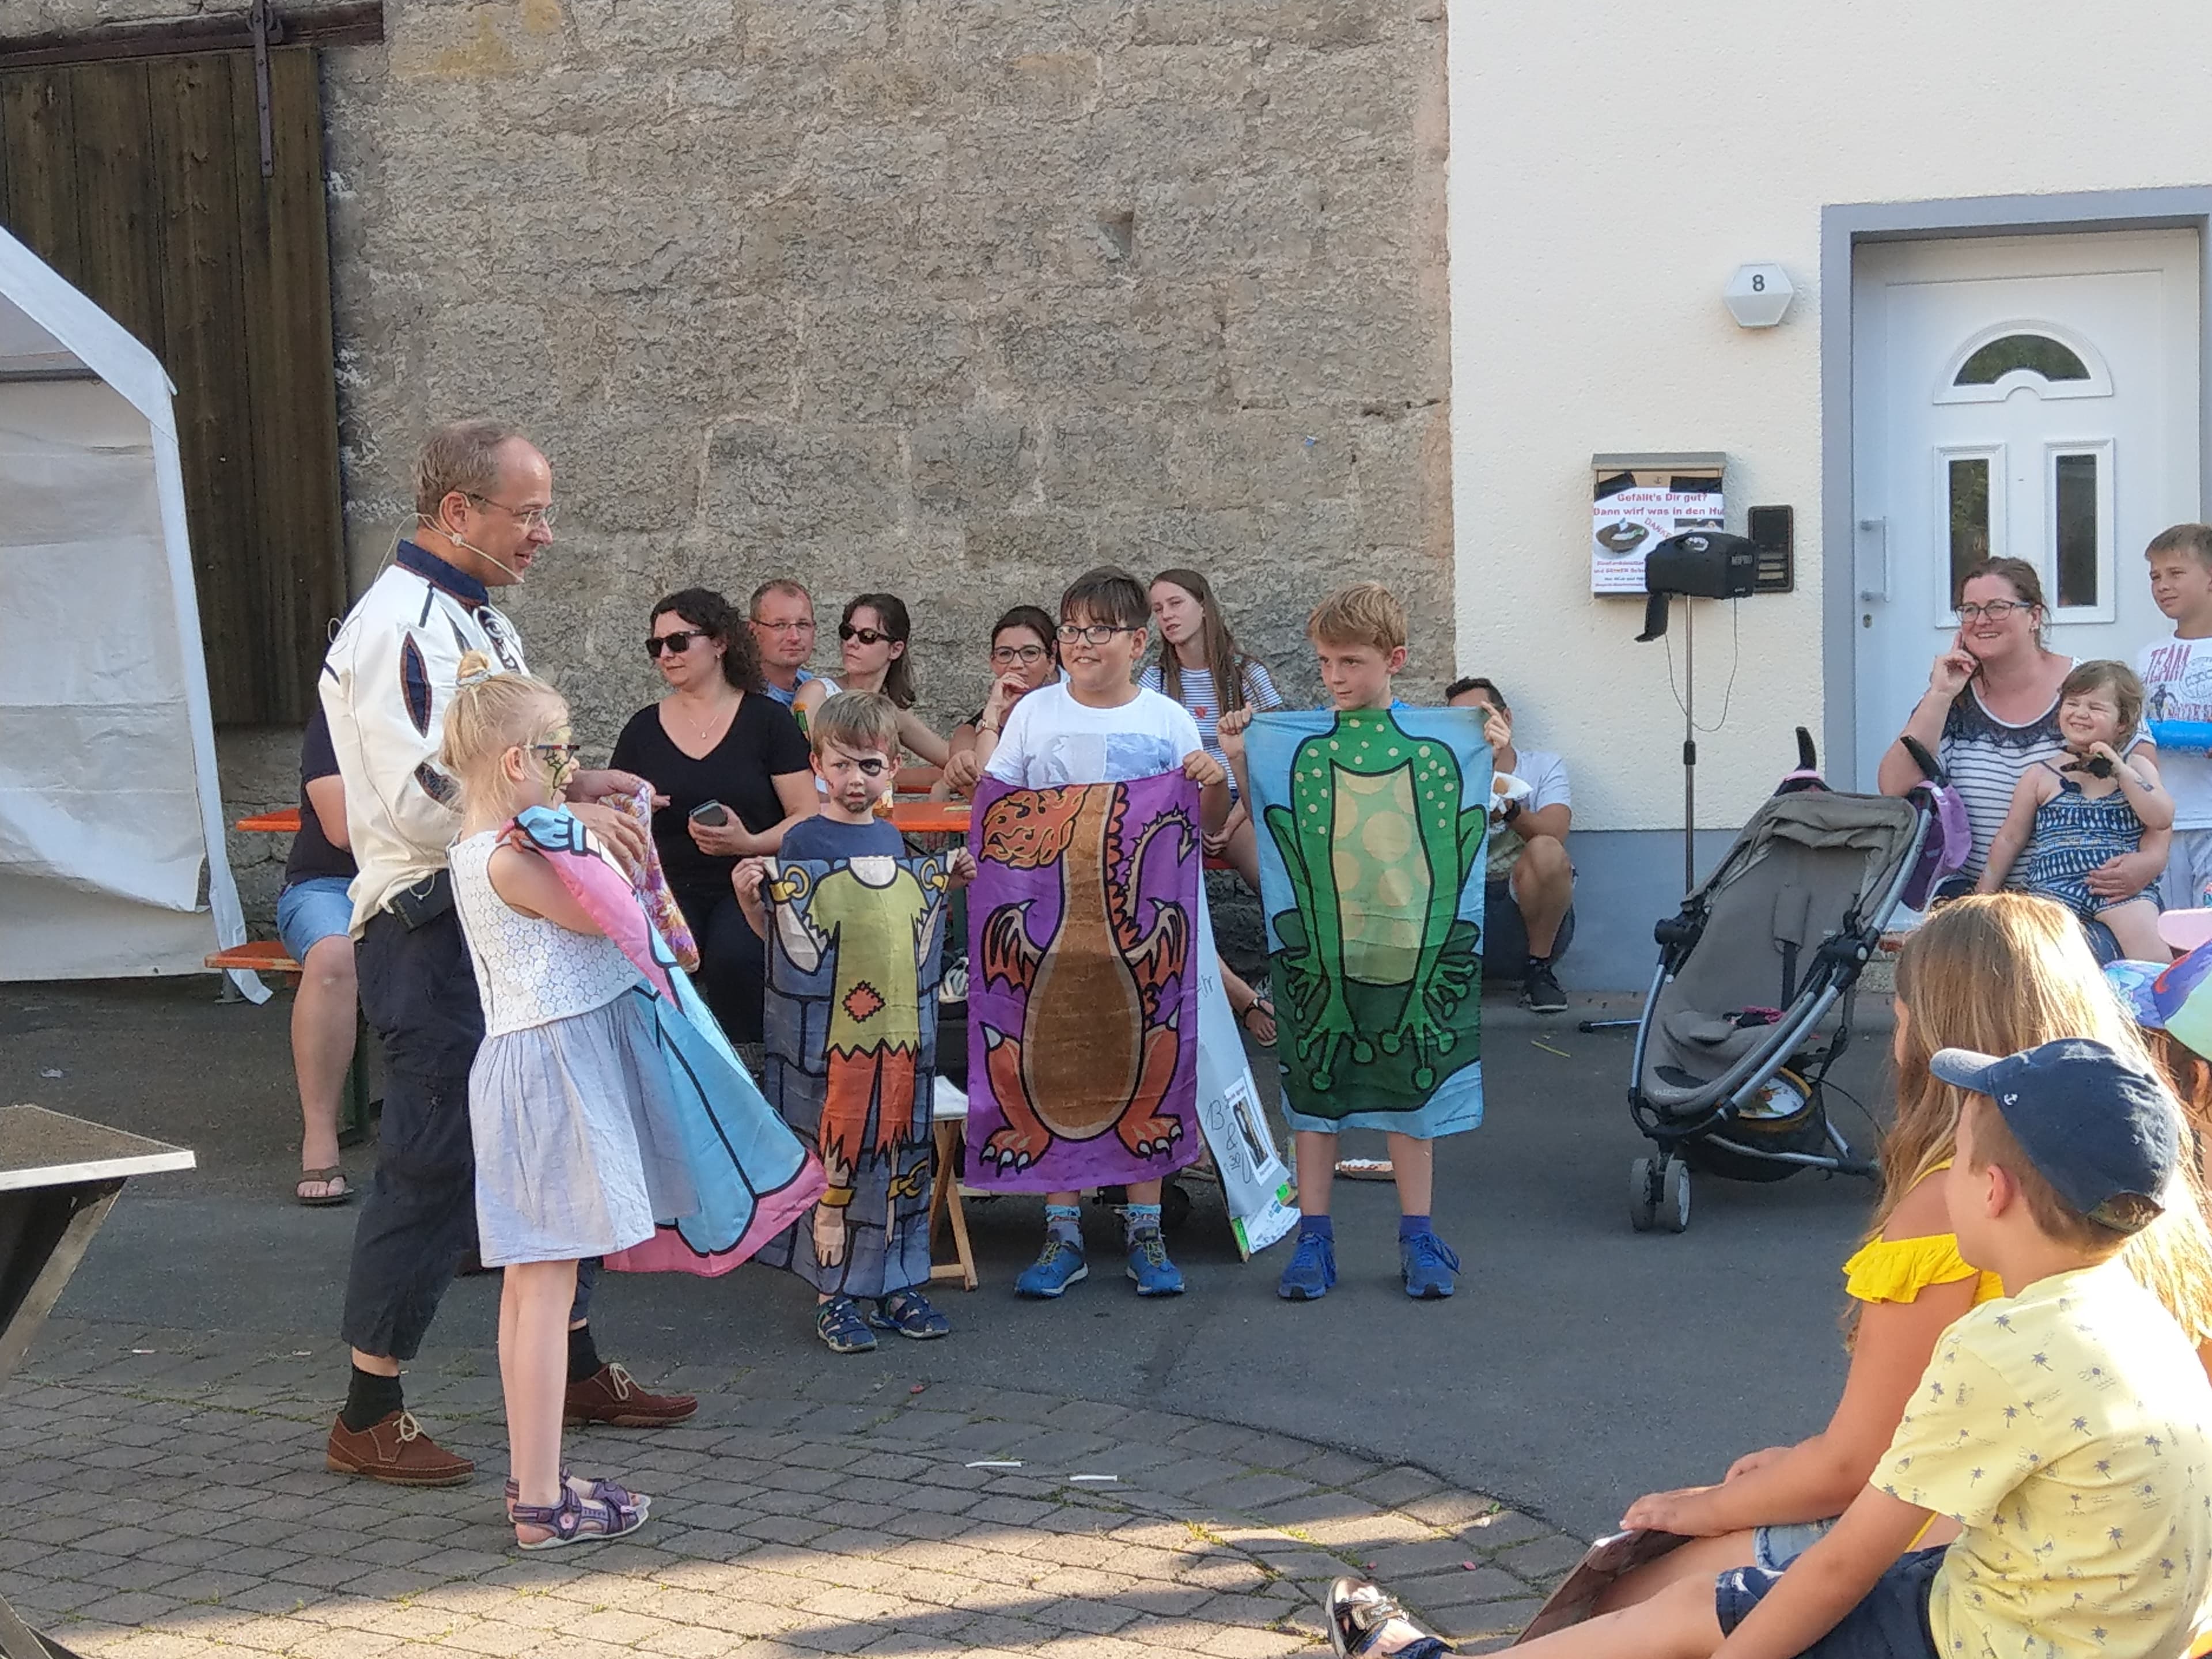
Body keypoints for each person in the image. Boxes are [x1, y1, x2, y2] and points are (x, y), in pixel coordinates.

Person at [1331, 1035, 2212, 1659]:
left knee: (1706, 1615)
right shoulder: (2142, 1320)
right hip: (2072, 1623)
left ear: (1990, 1192)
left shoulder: (2004, 1345)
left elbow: (1842, 1566)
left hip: (1982, 1639)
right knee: (1715, 1605)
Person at [1582, 893, 2212, 1613]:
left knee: (1625, 1599)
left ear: (1941, 1030)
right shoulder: (2155, 1190)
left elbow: (1855, 1466)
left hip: (1975, 1551)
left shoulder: (1951, 1205)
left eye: (1905, 1012)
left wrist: (1697, 1511)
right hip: (2133, 1557)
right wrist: (1791, 1467)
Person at [319, 419, 694, 1487]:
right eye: (526, 513)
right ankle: (368, 1405)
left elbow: (498, 765)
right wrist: (550, 828)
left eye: (544, 510)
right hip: (431, 921)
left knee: (564, 1136)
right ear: (457, 514)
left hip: (495, 906)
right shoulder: (397, 625)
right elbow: (416, 797)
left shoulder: (477, 616)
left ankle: (572, 1364)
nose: (543, 533)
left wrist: (576, 789)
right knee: (434, 1159)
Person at [442, 654, 679, 1548]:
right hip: (545, 1075)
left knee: (535, 1289)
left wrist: (579, 819)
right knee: (542, 1289)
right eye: (557, 752)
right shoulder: (505, 856)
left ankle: (534, 1484)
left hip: (542, 1066)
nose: (566, 766)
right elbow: (610, 915)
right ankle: (540, 1505)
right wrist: (596, 832)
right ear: (514, 764)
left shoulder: (497, 845)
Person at [974, 566, 1229, 1299]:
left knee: (1147, 1056)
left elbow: (1201, 832)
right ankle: (1063, 1235)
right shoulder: (1037, 714)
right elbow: (1001, 811)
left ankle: (1145, 1232)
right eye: (1072, 630)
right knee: (1053, 1062)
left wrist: (1212, 781)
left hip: (1144, 938)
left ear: (1138, 643)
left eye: (1099, 631)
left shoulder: (1167, 721)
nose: (1081, 644)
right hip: (1054, 933)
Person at [1219, 584, 1466, 1302]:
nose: (1334, 677)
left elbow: (1458, 825)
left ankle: (1419, 1236)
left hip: (1405, 946)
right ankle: (1314, 1241)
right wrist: (1239, 755)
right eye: (1326, 661)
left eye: (1351, 662)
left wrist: (1491, 745)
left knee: (1410, 1093)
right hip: (1323, 953)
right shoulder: (1304, 743)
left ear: (1394, 660)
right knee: (1315, 1094)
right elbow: (1269, 814)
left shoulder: (1431, 741)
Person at [734, 692, 976, 1353]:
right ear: (817, 765)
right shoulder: (805, 840)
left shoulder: (894, 840)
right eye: (840, 766)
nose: (855, 780)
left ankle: (897, 1281)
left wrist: (945, 884)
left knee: (900, 1153)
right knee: (836, 1158)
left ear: (893, 767)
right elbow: (787, 946)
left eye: (869, 766)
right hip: (838, 1045)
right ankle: (834, 1294)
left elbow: (913, 936)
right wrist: (751, 898)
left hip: (900, 1038)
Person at [1877, 556, 2166, 911]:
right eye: (1969, 609)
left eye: (1997, 608)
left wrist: (2151, 860)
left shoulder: (2090, 691)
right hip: (1978, 890)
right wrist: (1940, 695)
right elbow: (1895, 788)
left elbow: (2148, 783)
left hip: (2080, 893)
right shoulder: (1954, 699)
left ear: (2035, 617)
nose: (1981, 620)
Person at [609, 589, 815, 1048]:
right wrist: (639, 808)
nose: (666, 654)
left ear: (720, 642)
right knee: (652, 958)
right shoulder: (643, 728)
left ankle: (750, 1072)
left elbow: (807, 815)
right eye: (656, 646)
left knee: (735, 957)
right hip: (668, 884)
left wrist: (750, 843)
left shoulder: (767, 721)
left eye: (679, 642)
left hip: (748, 878)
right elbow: (618, 814)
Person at [1977, 661, 2172, 959]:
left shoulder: (2136, 768)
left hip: (2120, 891)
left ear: (2122, 721)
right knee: (2037, 959)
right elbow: (2009, 839)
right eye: (2072, 703)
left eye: (2096, 707)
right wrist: (1981, 900)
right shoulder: (2041, 775)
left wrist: (2119, 770)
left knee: (2154, 956)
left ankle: (2160, 1004)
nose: (2081, 713)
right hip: (2054, 890)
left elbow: (2161, 817)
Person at [1141, 569, 1284, 891]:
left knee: (1272, 882)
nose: (1167, 616)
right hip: (1179, 803)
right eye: (1159, 609)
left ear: (1204, 607)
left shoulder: (1246, 674)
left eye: (1176, 603)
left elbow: (1274, 757)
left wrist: (1231, 822)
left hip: (1242, 802)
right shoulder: (1156, 681)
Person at [1445, 676, 1573, 1014]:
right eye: (1459, 724)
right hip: (1459, 905)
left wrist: (1509, 810)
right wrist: (1480, 769)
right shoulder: (1442, 773)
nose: (1471, 731)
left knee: (1547, 851)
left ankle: (1539, 970)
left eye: (1479, 719)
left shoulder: (1543, 766)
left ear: (1507, 718)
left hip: (1522, 910)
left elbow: (1555, 833)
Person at [274, 703, 359, 1206]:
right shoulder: (337, 719)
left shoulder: (456, 711)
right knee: (333, 955)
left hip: (427, 880)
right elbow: (343, 829)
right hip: (330, 885)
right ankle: (320, 1134)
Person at [2138, 523, 2212, 907]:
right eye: (2155, 576)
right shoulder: (2149, 656)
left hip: (2210, 817)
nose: (2162, 585)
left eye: (2176, 574)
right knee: (2171, 928)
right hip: (2164, 822)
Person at [820, 593, 947, 786]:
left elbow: (953, 759)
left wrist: (947, 782)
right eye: (848, 632)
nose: (852, 643)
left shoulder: (891, 712)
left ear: (895, 649)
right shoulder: (818, 693)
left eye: (867, 636)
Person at [938, 605, 1059, 800]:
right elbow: (979, 793)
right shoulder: (972, 730)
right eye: (1005, 654)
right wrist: (993, 713)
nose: (1017, 664)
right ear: (993, 662)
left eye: (1030, 653)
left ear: (1051, 660)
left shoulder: (1068, 713)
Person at [748, 579, 840, 716]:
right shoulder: (744, 698)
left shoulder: (818, 688)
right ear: (753, 631)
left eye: (803, 624)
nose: (794, 637)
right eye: (779, 625)